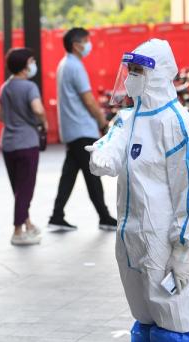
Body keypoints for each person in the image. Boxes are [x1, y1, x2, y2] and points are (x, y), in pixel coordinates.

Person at [86, 39, 189, 341]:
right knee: (144, 315)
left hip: (164, 243)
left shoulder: (178, 125)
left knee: (173, 319)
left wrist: (185, 247)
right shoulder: (130, 120)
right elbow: (111, 147)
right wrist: (100, 156)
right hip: (132, 241)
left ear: (157, 74)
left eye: (137, 71)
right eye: (129, 70)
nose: (131, 78)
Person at [48, 27, 117, 232]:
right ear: (77, 45)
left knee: (69, 174)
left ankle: (57, 215)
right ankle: (104, 216)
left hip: (72, 129)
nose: (89, 45)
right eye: (86, 41)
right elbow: (88, 99)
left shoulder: (64, 64)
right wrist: (103, 122)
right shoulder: (75, 67)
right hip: (81, 128)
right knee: (92, 174)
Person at [0, 48, 48, 246]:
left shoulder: (5, 87)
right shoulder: (29, 87)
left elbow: (0, 116)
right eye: (32, 60)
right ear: (25, 65)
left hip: (8, 143)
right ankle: (18, 231)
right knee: (26, 188)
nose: (34, 63)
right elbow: (37, 108)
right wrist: (44, 122)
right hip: (27, 142)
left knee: (18, 188)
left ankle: (28, 223)